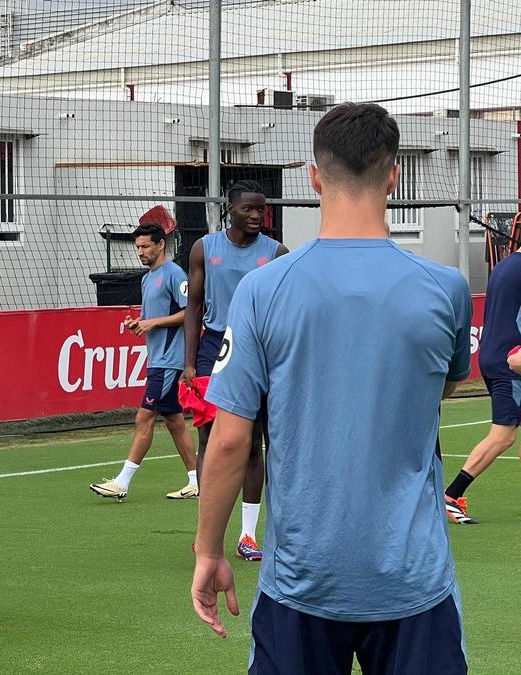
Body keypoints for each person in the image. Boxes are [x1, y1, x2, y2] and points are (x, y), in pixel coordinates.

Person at [192, 103, 471, 673]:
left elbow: (228, 443)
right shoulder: (446, 289)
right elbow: (438, 391)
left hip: (301, 579)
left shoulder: (262, 290)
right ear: (393, 174)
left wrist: (210, 551)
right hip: (412, 579)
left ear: (314, 176)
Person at [182, 180, 289, 562]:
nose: (258, 215)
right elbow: (193, 307)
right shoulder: (204, 248)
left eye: (262, 209)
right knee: (211, 442)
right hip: (214, 348)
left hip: (258, 350)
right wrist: (190, 362)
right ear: (231, 209)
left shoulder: (276, 252)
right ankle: (205, 534)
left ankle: (248, 536)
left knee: (253, 443)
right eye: (249, 209)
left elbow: (282, 312)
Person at [90, 223, 199, 502]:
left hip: (169, 361)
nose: (140, 251)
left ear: (161, 245)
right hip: (158, 359)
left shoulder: (175, 274)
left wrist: (152, 323)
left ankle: (122, 482)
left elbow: (191, 313)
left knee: (144, 416)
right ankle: (196, 480)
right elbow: (156, 317)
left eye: (145, 246)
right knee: (174, 420)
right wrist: (138, 323)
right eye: (138, 247)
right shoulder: (147, 278)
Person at [443, 249, 521, 524]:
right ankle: (452, 495)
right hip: (510, 361)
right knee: (503, 434)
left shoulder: (507, 265)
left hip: (496, 354)